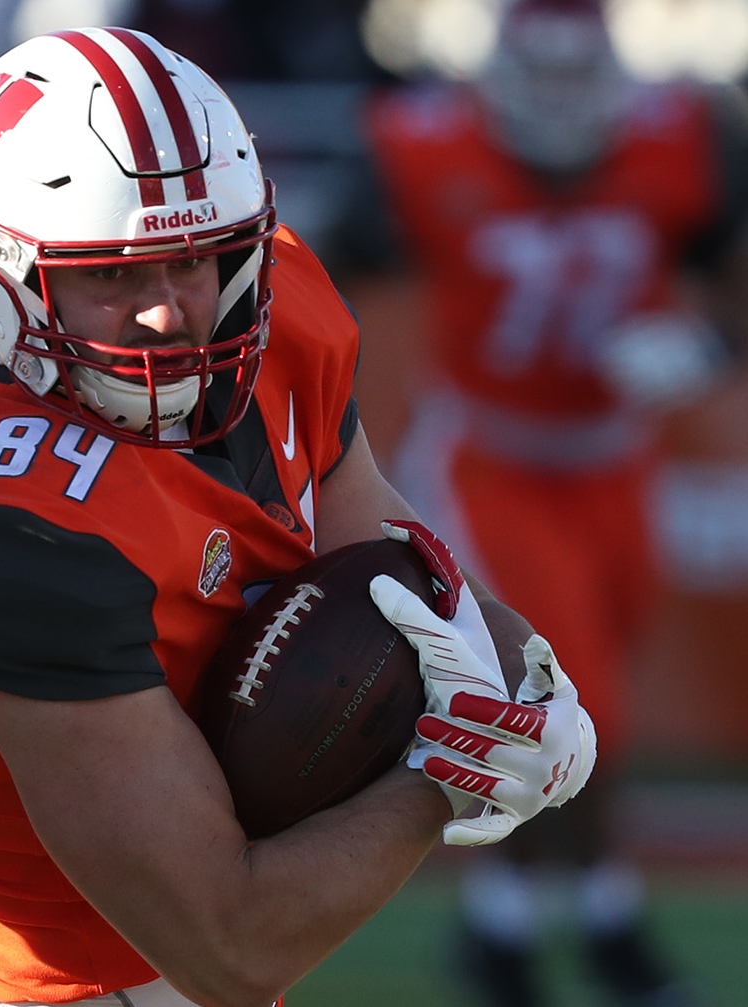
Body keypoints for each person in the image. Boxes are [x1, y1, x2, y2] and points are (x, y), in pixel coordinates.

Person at [0, 26, 596, 1007]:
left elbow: (381, 553)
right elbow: (229, 945)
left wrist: (518, 673)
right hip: (85, 982)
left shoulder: (273, 302)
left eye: (193, 261)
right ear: (2, 274)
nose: (168, 313)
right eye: (110, 274)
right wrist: (447, 769)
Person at [363, 1, 746, 1004]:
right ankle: (604, 929)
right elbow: (301, 259)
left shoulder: (680, 139)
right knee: (570, 707)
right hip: (491, 456)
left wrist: (710, 342)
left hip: (611, 461)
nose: (560, 108)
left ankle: (506, 930)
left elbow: (733, 272)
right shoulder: (420, 146)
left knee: (581, 703)